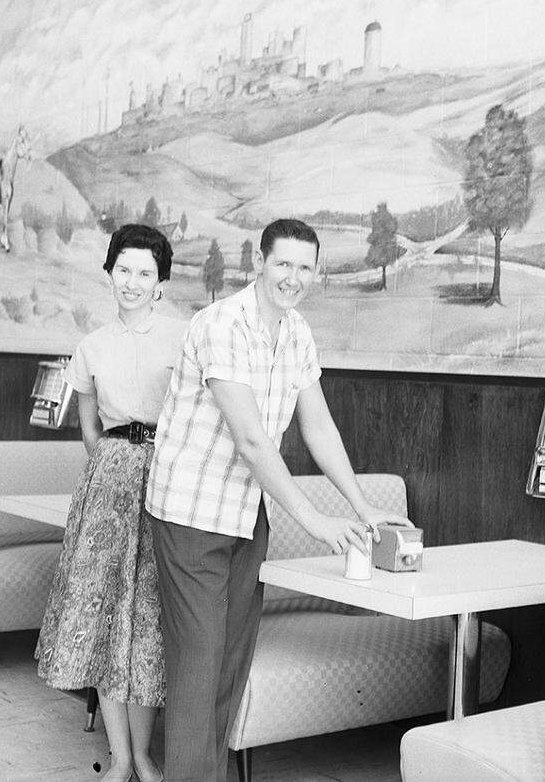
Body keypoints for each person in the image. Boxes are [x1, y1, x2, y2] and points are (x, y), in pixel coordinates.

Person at [145, 218, 413, 781]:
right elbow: (249, 438)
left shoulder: (296, 333)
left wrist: (362, 506)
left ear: (316, 272)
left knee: (229, 668)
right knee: (197, 669)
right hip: (192, 512)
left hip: (248, 513)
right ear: (260, 264)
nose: (293, 277)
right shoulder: (219, 323)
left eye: (305, 266)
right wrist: (314, 519)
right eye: (283, 263)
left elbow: (319, 428)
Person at [36, 224, 188, 782]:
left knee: (146, 620)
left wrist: (153, 463)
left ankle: (145, 756)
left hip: (167, 481)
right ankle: (121, 757)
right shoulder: (91, 346)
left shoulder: (183, 337)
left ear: (161, 283)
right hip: (108, 484)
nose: (132, 281)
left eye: (145, 272)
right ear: (109, 273)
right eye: (123, 269)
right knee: (105, 619)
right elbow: (89, 429)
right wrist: (116, 469)